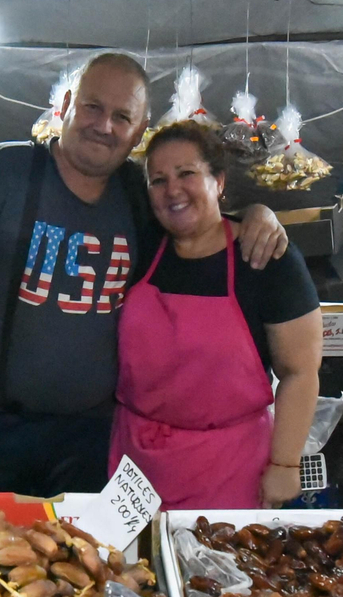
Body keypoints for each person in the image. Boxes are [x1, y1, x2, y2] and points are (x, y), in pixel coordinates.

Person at [0, 51, 290, 497]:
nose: (105, 126)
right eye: (93, 107)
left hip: (94, 433)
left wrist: (258, 213)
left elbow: (200, 219)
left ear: (139, 129)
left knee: (78, 541)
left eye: (122, 117)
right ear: (67, 105)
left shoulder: (139, 194)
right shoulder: (4, 171)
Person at [111, 122, 322, 509]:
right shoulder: (141, 248)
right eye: (158, 180)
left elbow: (300, 371)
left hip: (228, 467)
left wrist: (285, 464)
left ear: (219, 181)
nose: (173, 190)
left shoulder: (265, 257)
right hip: (134, 465)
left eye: (187, 174)